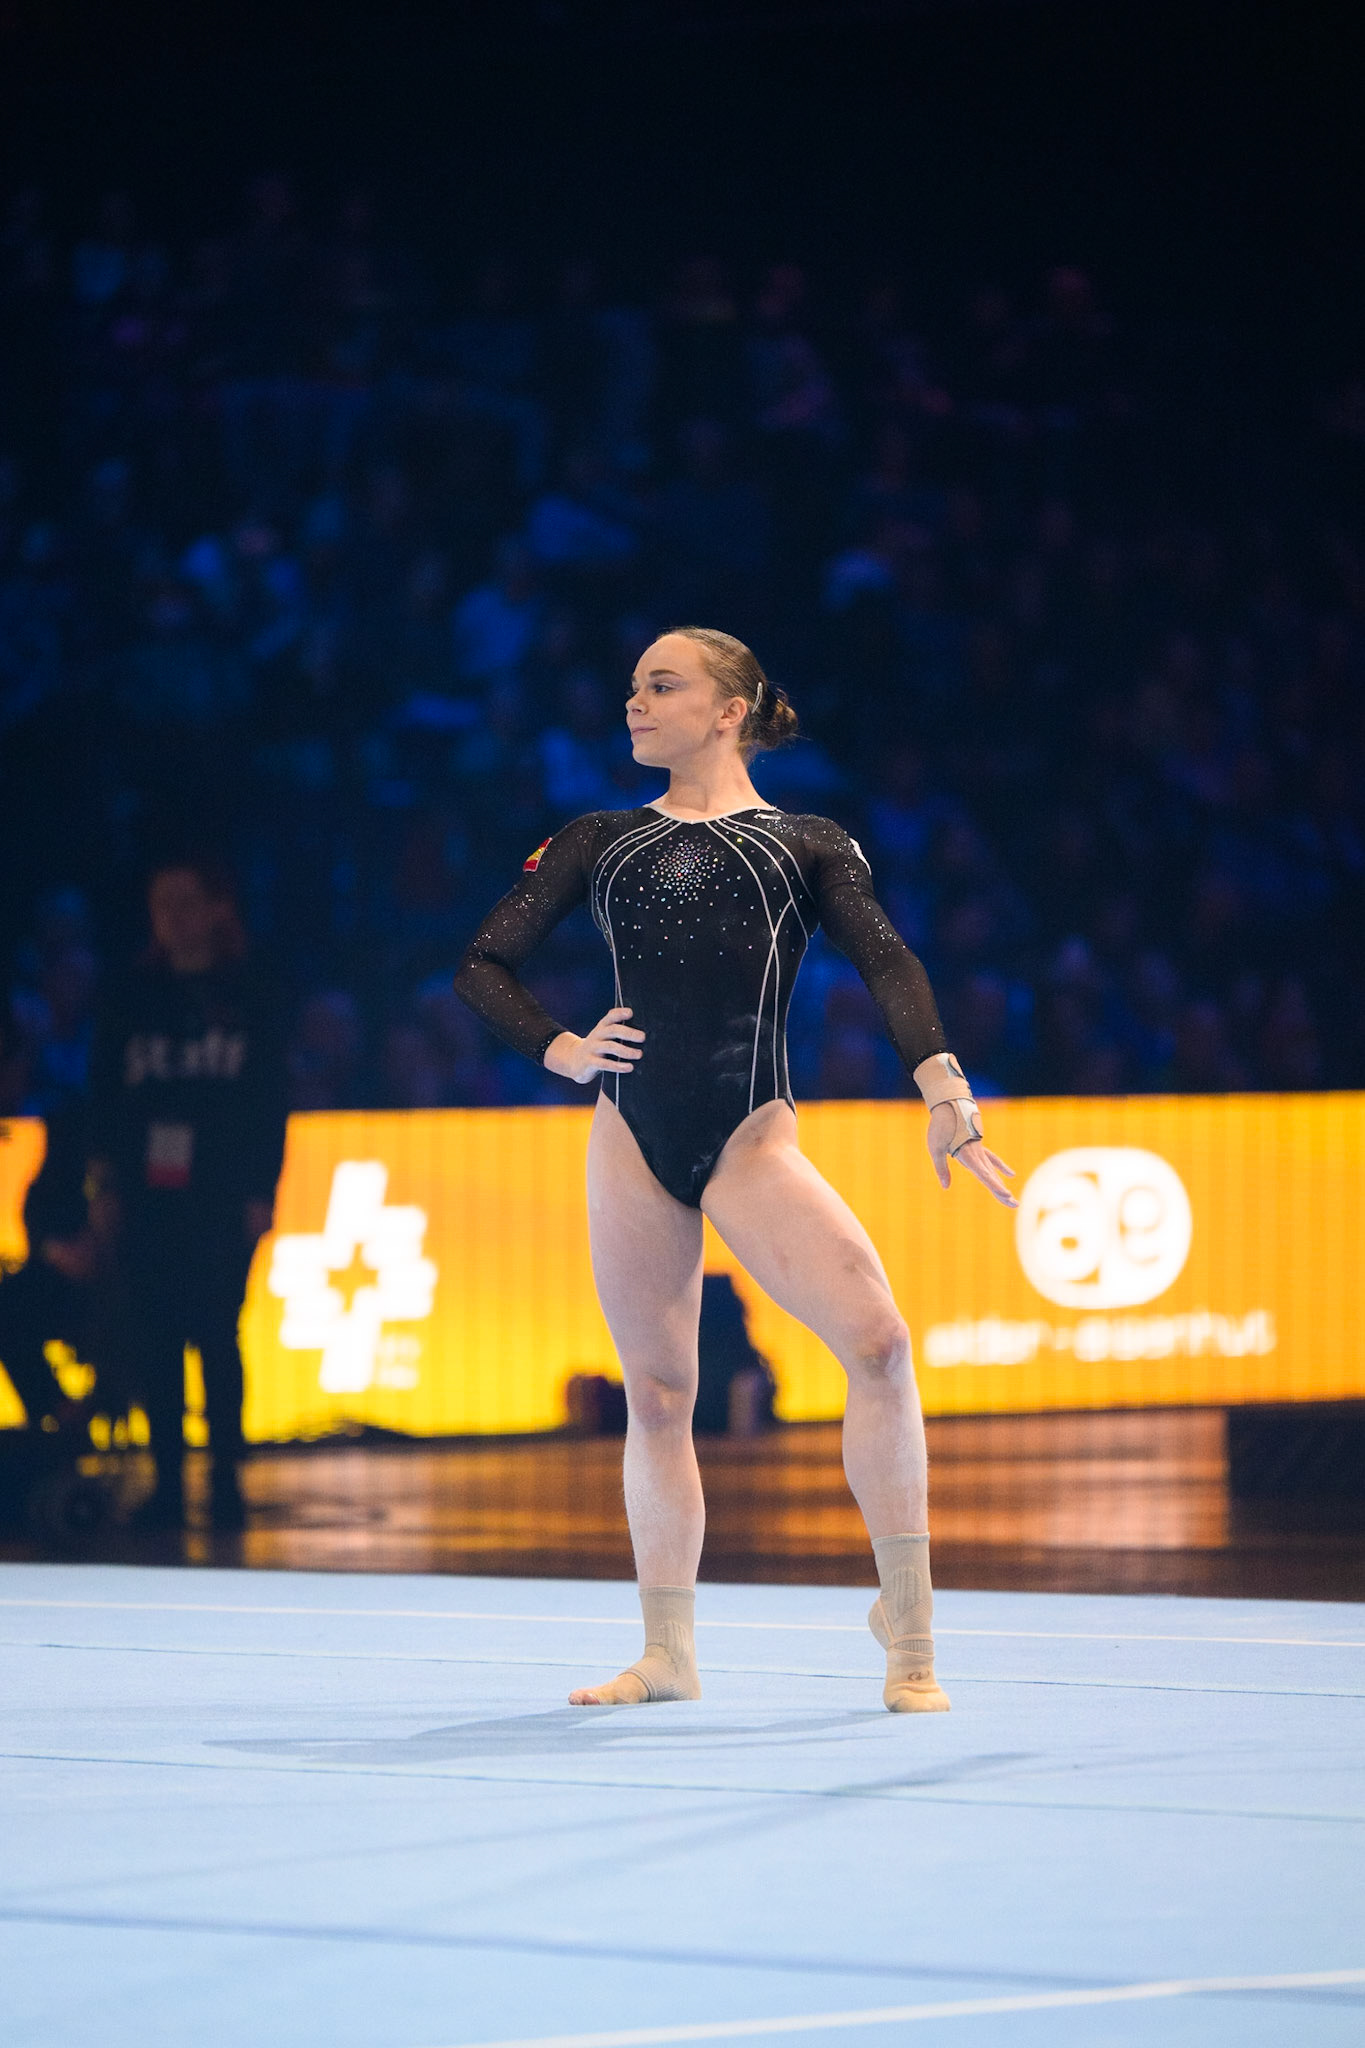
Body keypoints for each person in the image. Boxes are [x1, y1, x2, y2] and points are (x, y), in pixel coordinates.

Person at [455, 627, 1016, 1712]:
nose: (635, 701)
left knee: (880, 1342)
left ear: (730, 710)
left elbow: (888, 959)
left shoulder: (804, 843)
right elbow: (482, 962)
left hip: (750, 1137)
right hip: (631, 1136)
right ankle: (667, 1652)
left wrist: (944, 1089)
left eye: (662, 685)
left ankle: (909, 1631)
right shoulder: (597, 839)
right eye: (631, 685)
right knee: (660, 1394)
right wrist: (560, 1048)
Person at [87, 858, 287, 1530]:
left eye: (184, 901)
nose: (173, 917)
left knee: (216, 1333)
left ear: (213, 908)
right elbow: (103, 1096)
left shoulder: (249, 993)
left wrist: (261, 1189)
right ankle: (168, 1483)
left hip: (221, 1193)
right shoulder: (130, 995)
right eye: (161, 904)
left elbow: (269, 1101)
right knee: (156, 1336)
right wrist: (105, 1183)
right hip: (147, 1194)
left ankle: (225, 1482)